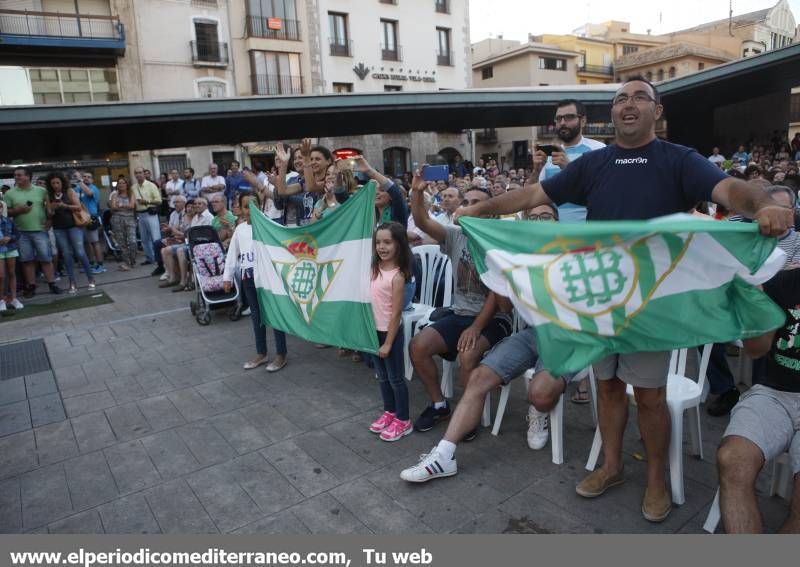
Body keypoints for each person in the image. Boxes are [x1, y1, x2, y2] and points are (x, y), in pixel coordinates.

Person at [455, 76, 793, 522]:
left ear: (658, 110)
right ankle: (612, 466)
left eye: (639, 97)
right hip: (601, 297)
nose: (628, 105)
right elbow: (534, 194)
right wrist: (483, 209)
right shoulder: (595, 164)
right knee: (610, 389)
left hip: (652, 302)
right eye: (619, 99)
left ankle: (655, 478)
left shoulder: (680, 160)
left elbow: (732, 191)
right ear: (611, 114)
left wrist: (763, 203)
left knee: (649, 398)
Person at [399, 203, 568, 483]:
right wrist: (502, 272)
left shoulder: (571, 252)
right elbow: (505, 305)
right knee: (477, 377)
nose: (539, 222)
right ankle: (444, 455)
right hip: (531, 334)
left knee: (539, 394)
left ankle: (537, 409)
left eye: (546, 217)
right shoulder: (517, 252)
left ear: (558, 220)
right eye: (533, 217)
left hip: (566, 337)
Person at [406, 171, 512, 434]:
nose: (470, 208)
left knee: (468, 354)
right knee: (418, 347)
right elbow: (422, 221)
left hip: (496, 318)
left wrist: (476, 327)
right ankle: (439, 404)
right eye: (467, 202)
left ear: (491, 213)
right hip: (460, 312)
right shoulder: (456, 235)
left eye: (478, 204)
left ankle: (468, 416)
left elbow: (499, 301)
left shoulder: (499, 244)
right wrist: (417, 193)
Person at [716, 267, 800, 533]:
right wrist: (755, 312)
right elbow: (754, 351)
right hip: (773, 394)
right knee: (733, 459)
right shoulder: (783, 283)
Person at [223, 193, 287, 373]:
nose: (250, 209)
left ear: (261, 206)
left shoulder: (269, 225)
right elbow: (232, 254)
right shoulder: (240, 229)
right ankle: (262, 352)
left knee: (274, 314)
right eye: (245, 206)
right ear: (241, 209)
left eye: (253, 205)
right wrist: (227, 276)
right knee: (256, 315)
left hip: (268, 278)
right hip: (248, 279)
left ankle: (281, 353)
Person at [367, 222, 413, 442]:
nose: (381, 247)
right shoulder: (373, 269)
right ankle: (390, 412)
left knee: (395, 378)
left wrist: (388, 343)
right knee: (382, 377)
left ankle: (403, 419)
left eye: (387, 242)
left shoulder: (398, 276)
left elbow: (396, 314)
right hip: (374, 331)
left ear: (399, 245)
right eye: (378, 242)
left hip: (390, 334)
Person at [536, 99, 605, 223]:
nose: (562, 122)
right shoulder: (551, 154)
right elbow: (537, 196)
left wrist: (569, 168)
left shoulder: (599, 150)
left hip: (589, 233)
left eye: (569, 117)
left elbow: (605, 192)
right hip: (557, 236)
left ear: (583, 121)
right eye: (559, 118)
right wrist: (536, 170)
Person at [4, 166, 61, 297]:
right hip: (21, 232)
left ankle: (52, 283)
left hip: (40, 231)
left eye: (19, 175)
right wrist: (19, 210)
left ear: (28, 176)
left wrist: (49, 221)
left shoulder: (42, 191)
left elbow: (49, 209)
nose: (16, 177)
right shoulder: (9, 194)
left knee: (46, 259)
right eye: (15, 175)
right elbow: (5, 213)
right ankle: (31, 286)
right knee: (27, 260)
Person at [45, 172, 96, 293]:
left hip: (74, 226)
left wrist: (64, 205)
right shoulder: (49, 195)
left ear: (62, 182)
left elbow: (78, 207)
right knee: (66, 255)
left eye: (57, 182)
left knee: (80, 252)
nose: (55, 185)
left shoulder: (69, 191)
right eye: (53, 183)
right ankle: (72, 282)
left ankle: (91, 279)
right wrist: (51, 209)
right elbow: (49, 214)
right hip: (58, 228)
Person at [131, 167, 162, 265]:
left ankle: (160, 259)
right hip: (140, 214)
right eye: (136, 173)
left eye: (140, 172)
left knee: (155, 237)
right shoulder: (133, 187)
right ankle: (150, 258)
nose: (138, 174)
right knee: (144, 239)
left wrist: (147, 201)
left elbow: (159, 201)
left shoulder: (151, 185)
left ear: (144, 174)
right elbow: (133, 203)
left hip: (150, 214)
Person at [76, 171, 105, 275]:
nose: (86, 178)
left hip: (91, 218)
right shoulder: (78, 188)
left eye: (89, 177)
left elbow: (89, 193)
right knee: (86, 243)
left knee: (95, 242)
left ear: (92, 180)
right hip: (80, 218)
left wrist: (80, 181)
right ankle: (91, 264)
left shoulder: (94, 188)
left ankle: (100, 265)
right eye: (84, 177)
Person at [110, 178, 138, 271]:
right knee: (122, 243)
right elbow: (113, 207)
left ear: (127, 184)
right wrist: (125, 206)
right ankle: (127, 263)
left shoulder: (131, 194)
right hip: (117, 220)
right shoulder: (114, 195)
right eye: (119, 183)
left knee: (133, 241)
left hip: (130, 219)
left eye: (123, 183)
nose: (121, 185)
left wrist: (120, 206)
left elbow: (132, 206)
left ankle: (132, 261)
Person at [0, 199, 22, 311]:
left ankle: (13, 298)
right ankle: (1, 300)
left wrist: (9, 238)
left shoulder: (8, 221)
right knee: (1, 276)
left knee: (12, 272)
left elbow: (17, 234)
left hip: (10, 248)